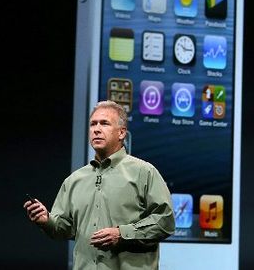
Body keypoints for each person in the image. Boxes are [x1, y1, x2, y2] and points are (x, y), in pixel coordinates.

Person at [24, 100, 175, 269]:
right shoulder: (74, 180)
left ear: (122, 133)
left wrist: (122, 234)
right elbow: (64, 229)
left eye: (104, 123)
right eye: (93, 124)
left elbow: (165, 221)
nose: (96, 129)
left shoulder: (143, 172)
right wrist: (46, 221)